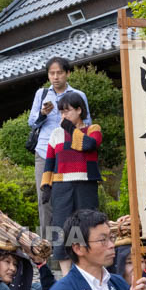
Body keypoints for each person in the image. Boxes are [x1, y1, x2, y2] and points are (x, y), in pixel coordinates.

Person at [28, 57, 92, 238]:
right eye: (51, 73)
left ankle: (70, 244)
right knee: (44, 199)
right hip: (44, 151)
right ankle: (47, 247)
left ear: (68, 73)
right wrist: (42, 114)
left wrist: (71, 123)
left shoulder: (78, 95)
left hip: (70, 152)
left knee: (69, 197)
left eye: (59, 73)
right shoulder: (41, 94)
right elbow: (31, 123)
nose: (55, 77)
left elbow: (86, 123)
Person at [41, 92, 102, 275]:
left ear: (79, 110)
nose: (63, 116)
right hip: (61, 186)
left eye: (67, 111)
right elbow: (49, 161)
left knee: (87, 226)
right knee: (61, 227)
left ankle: (88, 270)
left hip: (86, 184)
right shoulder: (56, 133)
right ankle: (67, 275)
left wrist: (70, 129)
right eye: (61, 112)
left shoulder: (93, 129)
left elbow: (89, 145)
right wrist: (46, 185)